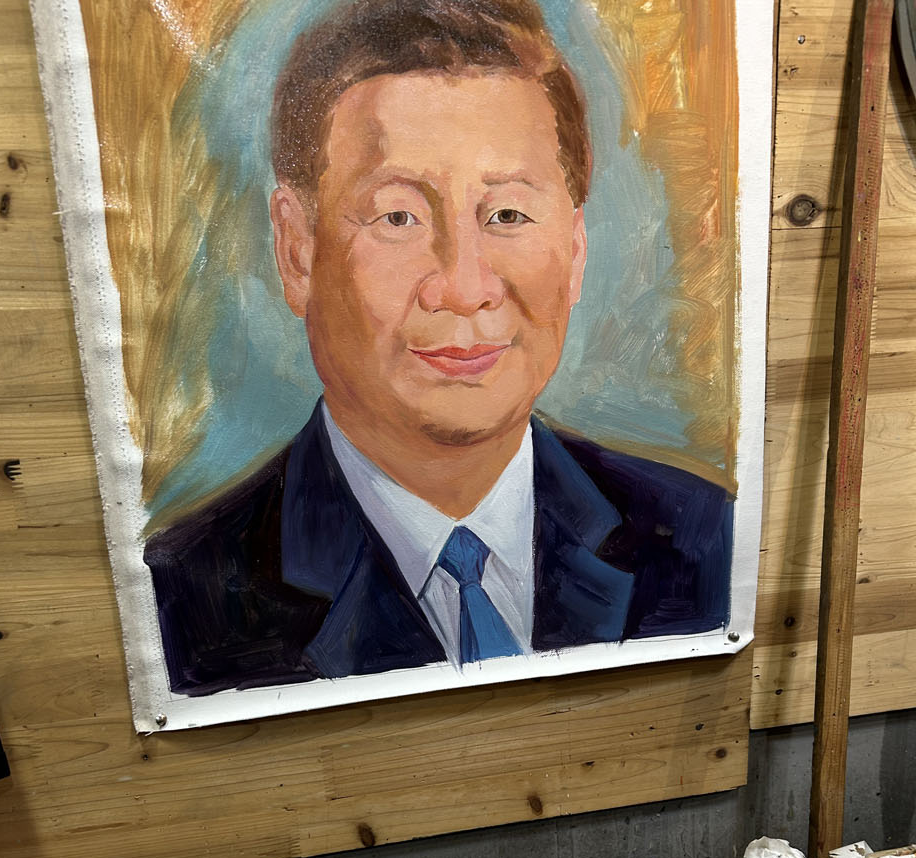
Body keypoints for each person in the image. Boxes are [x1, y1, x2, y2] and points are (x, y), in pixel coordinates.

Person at [145, 0, 733, 695]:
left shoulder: (701, 540)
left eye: (508, 214)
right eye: (399, 217)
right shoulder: (183, 598)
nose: (463, 287)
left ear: (575, 251)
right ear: (297, 250)